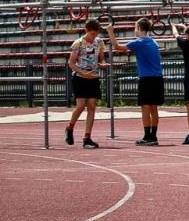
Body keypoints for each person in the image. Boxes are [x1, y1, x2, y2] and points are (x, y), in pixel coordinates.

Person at [108, 18, 165, 145]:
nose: (134, 30)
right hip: (157, 77)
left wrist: (110, 32)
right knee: (153, 108)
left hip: (147, 78)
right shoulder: (153, 42)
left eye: (135, 27)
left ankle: (147, 136)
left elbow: (118, 47)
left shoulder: (139, 42)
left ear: (139, 28)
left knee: (145, 107)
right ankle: (153, 136)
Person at [65, 19, 106, 148]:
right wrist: (82, 72)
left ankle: (87, 138)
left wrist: (103, 63)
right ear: (86, 31)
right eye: (92, 34)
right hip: (80, 78)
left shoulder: (99, 42)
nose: (94, 36)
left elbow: (101, 57)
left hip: (93, 77)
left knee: (92, 107)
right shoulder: (78, 43)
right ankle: (70, 127)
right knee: (81, 106)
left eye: (96, 34)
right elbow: (71, 63)